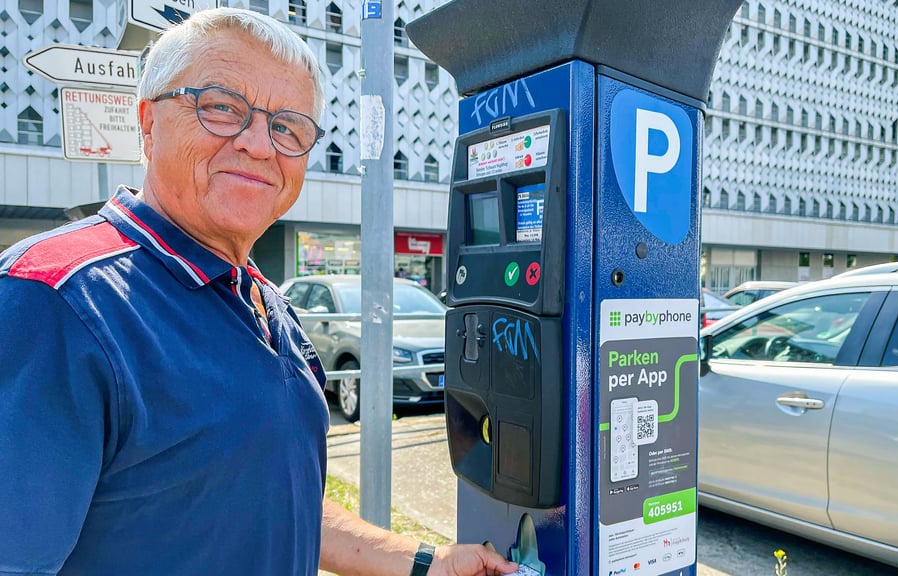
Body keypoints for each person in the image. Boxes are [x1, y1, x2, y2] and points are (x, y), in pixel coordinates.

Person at [0, 8, 517, 576]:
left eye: (287, 127)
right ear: (147, 123)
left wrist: (429, 563)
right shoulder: (55, 300)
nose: (259, 144)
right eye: (222, 107)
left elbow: (277, 496)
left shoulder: (266, 302)